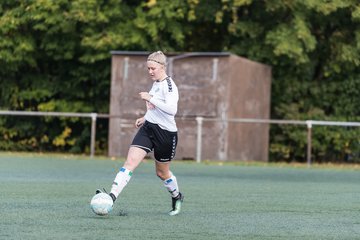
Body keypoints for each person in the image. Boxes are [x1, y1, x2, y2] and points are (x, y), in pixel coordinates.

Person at [96, 51, 183, 216]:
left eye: (153, 68)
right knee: (130, 163)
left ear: (163, 67)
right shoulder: (156, 82)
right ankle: (111, 197)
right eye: (148, 68)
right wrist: (145, 117)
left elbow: (172, 110)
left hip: (166, 135)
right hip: (148, 129)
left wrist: (150, 98)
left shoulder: (169, 85)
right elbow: (158, 109)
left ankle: (177, 196)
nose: (150, 71)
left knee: (162, 173)